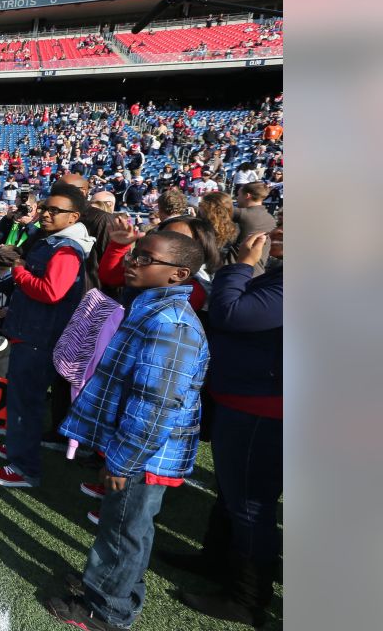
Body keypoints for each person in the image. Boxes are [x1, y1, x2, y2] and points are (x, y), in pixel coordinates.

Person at [45, 231, 210, 631]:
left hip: (144, 453)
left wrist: (123, 460)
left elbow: (155, 404)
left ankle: (107, 610)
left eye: (145, 258)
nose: (132, 261)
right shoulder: (151, 309)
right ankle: (106, 587)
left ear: (178, 274)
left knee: (124, 529)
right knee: (123, 525)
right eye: (135, 253)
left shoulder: (170, 324)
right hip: (138, 447)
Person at [175, 228, 283, 626]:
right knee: (231, 493)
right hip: (245, 399)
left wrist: (241, 266)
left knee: (252, 504)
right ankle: (216, 560)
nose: (276, 231)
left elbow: (231, 313)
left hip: (264, 409)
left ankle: (248, 597)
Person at [0, 184, 95, 489]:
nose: (46, 213)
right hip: (33, 330)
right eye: (45, 208)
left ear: (73, 217)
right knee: (23, 398)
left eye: (54, 210)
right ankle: (19, 446)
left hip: (39, 336)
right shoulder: (56, 241)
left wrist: (18, 270)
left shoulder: (65, 248)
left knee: (27, 401)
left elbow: (51, 291)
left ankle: (23, 467)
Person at [232, 181, 277, 269]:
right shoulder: (271, 219)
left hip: (236, 269)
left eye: (239, 195)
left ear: (247, 196)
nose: (237, 198)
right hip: (257, 271)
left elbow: (210, 212)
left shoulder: (242, 213)